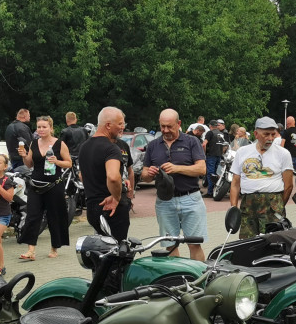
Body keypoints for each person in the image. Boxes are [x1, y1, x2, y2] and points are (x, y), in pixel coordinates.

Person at [141, 109, 207, 260]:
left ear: (179, 124)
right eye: (162, 126)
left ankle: (199, 281)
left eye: (169, 126)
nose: (165, 130)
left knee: (194, 243)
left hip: (191, 199)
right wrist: (149, 174)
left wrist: (177, 168)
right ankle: (177, 279)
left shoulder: (192, 141)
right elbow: (144, 176)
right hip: (164, 201)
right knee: (169, 245)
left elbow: (202, 169)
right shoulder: (152, 145)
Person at [16, 116, 72, 261]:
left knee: (54, 216)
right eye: (39, 127)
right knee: (33, 216)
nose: (41, 130)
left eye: (44, 127)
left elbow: (69, 163)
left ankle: (54, 248)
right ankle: (31, 250)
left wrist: (57, 161)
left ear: (51, 128)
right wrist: (24, 156)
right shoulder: (33, 143)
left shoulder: (59, 144)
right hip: (36, 185)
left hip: (54, 185)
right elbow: (29, 164)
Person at [229, 116, 294, 239]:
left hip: (273, 203)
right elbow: (235, 183)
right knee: (247, 243)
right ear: (256, 134)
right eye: (266, 134)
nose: (270, 138)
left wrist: (278, 206)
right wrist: (234, 209)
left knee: (273, 241)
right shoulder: (242, 152)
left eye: (273, 134)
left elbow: (289, 185)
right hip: (248, 204)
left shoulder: (283, 154)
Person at [79, 107, 130, 240]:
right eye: (120, 123)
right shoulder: (111, 148)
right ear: (108, 125)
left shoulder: (84, 147)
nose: (122, 127)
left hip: (92, 208)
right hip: (111, 209)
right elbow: (113, 177)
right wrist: (117, 197)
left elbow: (81, 176)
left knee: (101, 251)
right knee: (118, 253)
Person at [202, 119, 228, 196]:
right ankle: (216, 190)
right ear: (216, 126)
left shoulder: (210, 133)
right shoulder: (221, 133)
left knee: (210, 173)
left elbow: (204, 144)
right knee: (217, 174)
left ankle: (210, 192)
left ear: (210, 126)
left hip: (211, 155)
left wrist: (204, 154)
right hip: (219, 156)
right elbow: (225, 146)